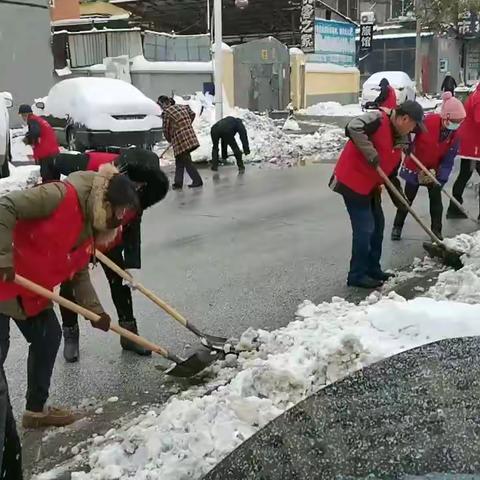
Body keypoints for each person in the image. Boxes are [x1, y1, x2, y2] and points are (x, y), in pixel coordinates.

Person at [0, 164, 141, 429]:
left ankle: (36, 412)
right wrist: (3, 258)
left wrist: (96, 311)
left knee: (48, 338)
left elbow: (77, 272)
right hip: (4, 277)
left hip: (30, 288)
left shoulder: (89, 226)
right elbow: (5, 206)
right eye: (119, 210)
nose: (120, 218)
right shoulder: (59, 196)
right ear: (105, 202)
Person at [55, 148, 169, 362]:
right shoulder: (95, 164)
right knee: (69, 287)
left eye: (141, 187)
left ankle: (129, 336)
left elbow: (133, 223)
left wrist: (131, 265)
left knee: (121, 284)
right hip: (78, 237)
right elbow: (56, 162)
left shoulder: (143, 191)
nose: (136, 190)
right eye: (134, 184)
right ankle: (70, 334)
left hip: (110, 239)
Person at [329, 100, 425, 289]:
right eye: (413, 125)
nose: (413, 130)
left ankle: (373, 268)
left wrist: (401, 202)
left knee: (378, 226)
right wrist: (370, 153)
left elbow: (390, 176)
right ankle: (357, 274)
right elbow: (353, 127)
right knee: (365, 229)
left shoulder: (399, 139)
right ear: (404, 118)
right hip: (352, 181)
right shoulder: (378, 119)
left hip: (371, 186)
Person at [391, 92, 466, 241]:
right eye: (455, 120)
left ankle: (436, 233)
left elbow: (448, 160)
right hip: (415, 166)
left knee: (436, 201)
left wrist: (441, 178)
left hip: (433, 171)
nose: (457, 124)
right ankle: (397, 226)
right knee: (406, 200)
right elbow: (406, 131)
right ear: (446, 117)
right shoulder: (427, 121)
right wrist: (406, 144)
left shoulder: (455, 135)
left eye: (460, 121)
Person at [447, 83, 480, 219]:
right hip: (474, 145)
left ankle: (454, 206)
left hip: (471, 142)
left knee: (465, 173)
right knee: (465, 173)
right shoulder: (478, 97)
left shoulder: (476, 94)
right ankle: (454, 206)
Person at [157, 96, 203, 190]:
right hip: (190, 136)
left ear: (163, 104)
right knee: (180, 160)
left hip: (180, 140)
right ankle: (178, 183)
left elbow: (165, 130)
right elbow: (192, 114)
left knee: (186, 160)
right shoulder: (183, 107)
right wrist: (186, 124)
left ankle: (197, 180)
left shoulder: (166, 113)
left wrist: (170, 138)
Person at [18, 104, 60, 182]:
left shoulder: (32, 120)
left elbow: (35, 132)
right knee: (54, 176)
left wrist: (28, 139)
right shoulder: (38, 120)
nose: (23, 118)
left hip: (46, 152)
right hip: (53, 151)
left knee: (46, 177)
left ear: (25, 114)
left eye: (22, 115)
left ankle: (48, 190)